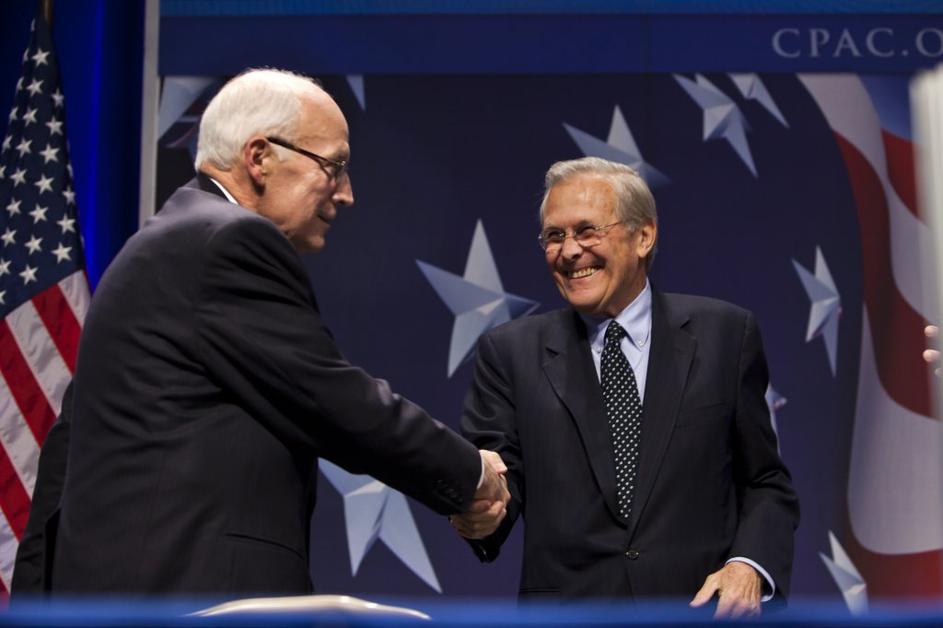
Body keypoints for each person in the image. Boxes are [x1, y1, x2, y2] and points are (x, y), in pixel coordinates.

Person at [16, 68, 508, 596]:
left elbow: (65, 453)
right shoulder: (226, 243)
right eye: (334, 167)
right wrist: (470, 474)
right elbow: (331, 398)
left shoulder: (167, 242)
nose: (346, 194)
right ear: (259, 157)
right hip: (188, 599)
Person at [451, 157, 798, 617]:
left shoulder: (726, 336)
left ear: (644, 236)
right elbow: (494, 484)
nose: (569, 251)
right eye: (554, 236)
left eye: (586, 231)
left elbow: (765, 482)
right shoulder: (510, 353)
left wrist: (748, 565)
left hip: (696, 612)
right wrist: (477, 511)